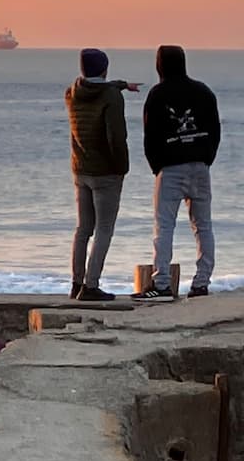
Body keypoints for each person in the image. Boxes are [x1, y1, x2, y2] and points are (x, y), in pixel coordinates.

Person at [136, 45, 221, 300]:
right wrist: (207, 158)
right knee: (203, 226)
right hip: (200, 166)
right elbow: (215, 130)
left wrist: (157, 167)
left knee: (164, 226)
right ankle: (201, 283)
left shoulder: (158, 94)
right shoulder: (203, 91)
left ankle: (161, 284)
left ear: (160, 65)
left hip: (171, 168)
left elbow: (150, 136)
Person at [65, 48, 138, 301]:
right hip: (106, 172)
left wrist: (121, 85)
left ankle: (76, 283)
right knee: (105, 229)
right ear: (105, 69)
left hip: (80, 169)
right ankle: (91, 285)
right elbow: (116, 137)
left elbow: (98, 88)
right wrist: (122, 167)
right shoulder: (111, 99)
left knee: (83, 229)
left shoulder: (72, 93)